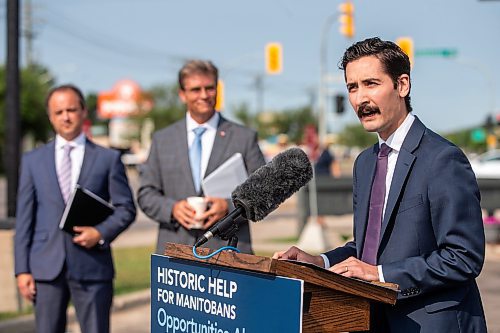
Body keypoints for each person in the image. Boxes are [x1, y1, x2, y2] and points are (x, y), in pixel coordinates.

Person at [274, 37, 487, 332]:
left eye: (371, 83)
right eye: (352, 87)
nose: (361, 98)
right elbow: (369, 249)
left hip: (432, 324)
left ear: (402, 85)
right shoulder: (364, 162)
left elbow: (463, 257)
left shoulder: (443, 159)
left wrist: (381, 274)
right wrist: (318, 262)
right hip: (371, 321)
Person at [14, 84, 137, 333]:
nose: (66, 117)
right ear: (50, 117)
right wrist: (22, 270)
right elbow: (24, 220)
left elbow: (126, 208)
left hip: (93, 267)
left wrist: (100, 233)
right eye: (59, 112)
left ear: (83, 112)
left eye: (71, 109)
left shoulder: (107, 159)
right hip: (46, 269)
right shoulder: (32, 161)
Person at [137, 60, 265, 254]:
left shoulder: (244, 137)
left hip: (228, 252)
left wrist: (229, 207)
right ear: (182, 94)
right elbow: (146, 193)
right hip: (175, 252)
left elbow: (264, 192)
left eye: (210, 88)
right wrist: (172, 209)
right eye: (196, 89)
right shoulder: (162, 139)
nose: (204, 95)